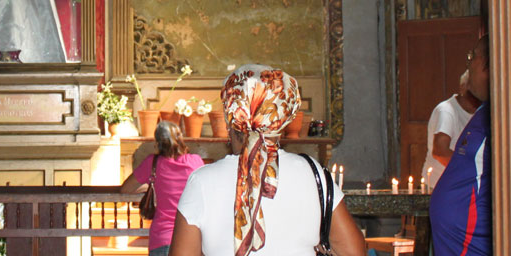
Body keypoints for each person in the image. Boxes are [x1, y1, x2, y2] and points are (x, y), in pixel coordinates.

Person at [169, 65, 366, 256]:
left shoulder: (203, 182)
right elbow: (354, 251)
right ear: (282, 118)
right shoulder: (314, 173)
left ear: (230, 118)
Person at [429, 35, 492, 255]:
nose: (468, 65)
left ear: (487, 63)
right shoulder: (483, 112)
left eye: (472, 57)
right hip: (455, 241)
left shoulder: (502, 114)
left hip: (471, 242)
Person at [119, 121, 204, 256]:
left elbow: (126, 188)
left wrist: (150, 185)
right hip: (189, 238)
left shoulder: (153, 163)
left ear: (157, 142)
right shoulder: (195, 162)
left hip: (162, 237)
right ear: (179, 139)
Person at [422, 70, 480, 190]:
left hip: (462, 185)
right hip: (442, 186)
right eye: (475, 89)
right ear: (463, 87)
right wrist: (470, 170)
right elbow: (440, 151)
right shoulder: (447, 111)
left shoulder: (479, 112)